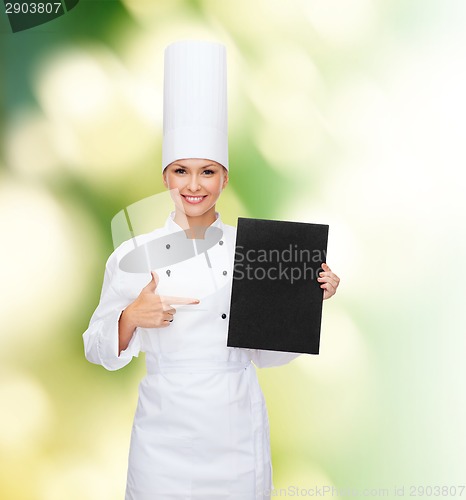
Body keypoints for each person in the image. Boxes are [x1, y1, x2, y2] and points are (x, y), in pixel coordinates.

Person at [83, 41, 340, 500]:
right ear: (165, 177)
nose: (194, 185)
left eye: (207, 172)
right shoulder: (134, 254)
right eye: (181, 171)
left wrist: (307, 299)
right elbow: (96, 348)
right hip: (164, 440)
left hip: (235, 434)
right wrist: (130, 318)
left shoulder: (257, 251)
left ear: (224, 177)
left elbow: (268, 354)